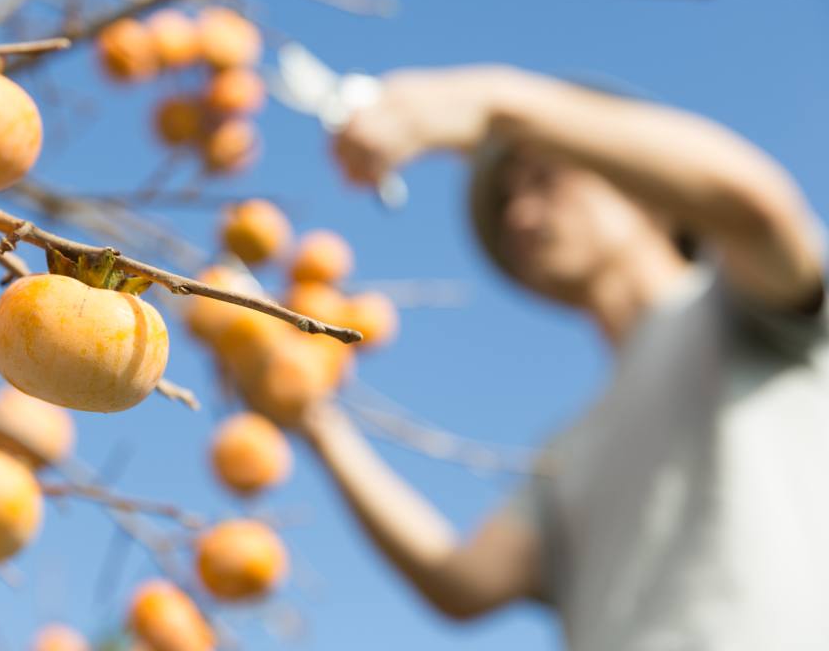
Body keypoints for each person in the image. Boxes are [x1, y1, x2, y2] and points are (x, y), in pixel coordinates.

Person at [300, 65, 829, 649]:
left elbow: (758, 207)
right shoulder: (567, 449)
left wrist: (495, 104)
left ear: (643, 186)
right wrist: (316, 420)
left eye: (545, 179)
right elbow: (463, 581)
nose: (520, 217)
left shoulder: (740, 302)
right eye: (508, 203)